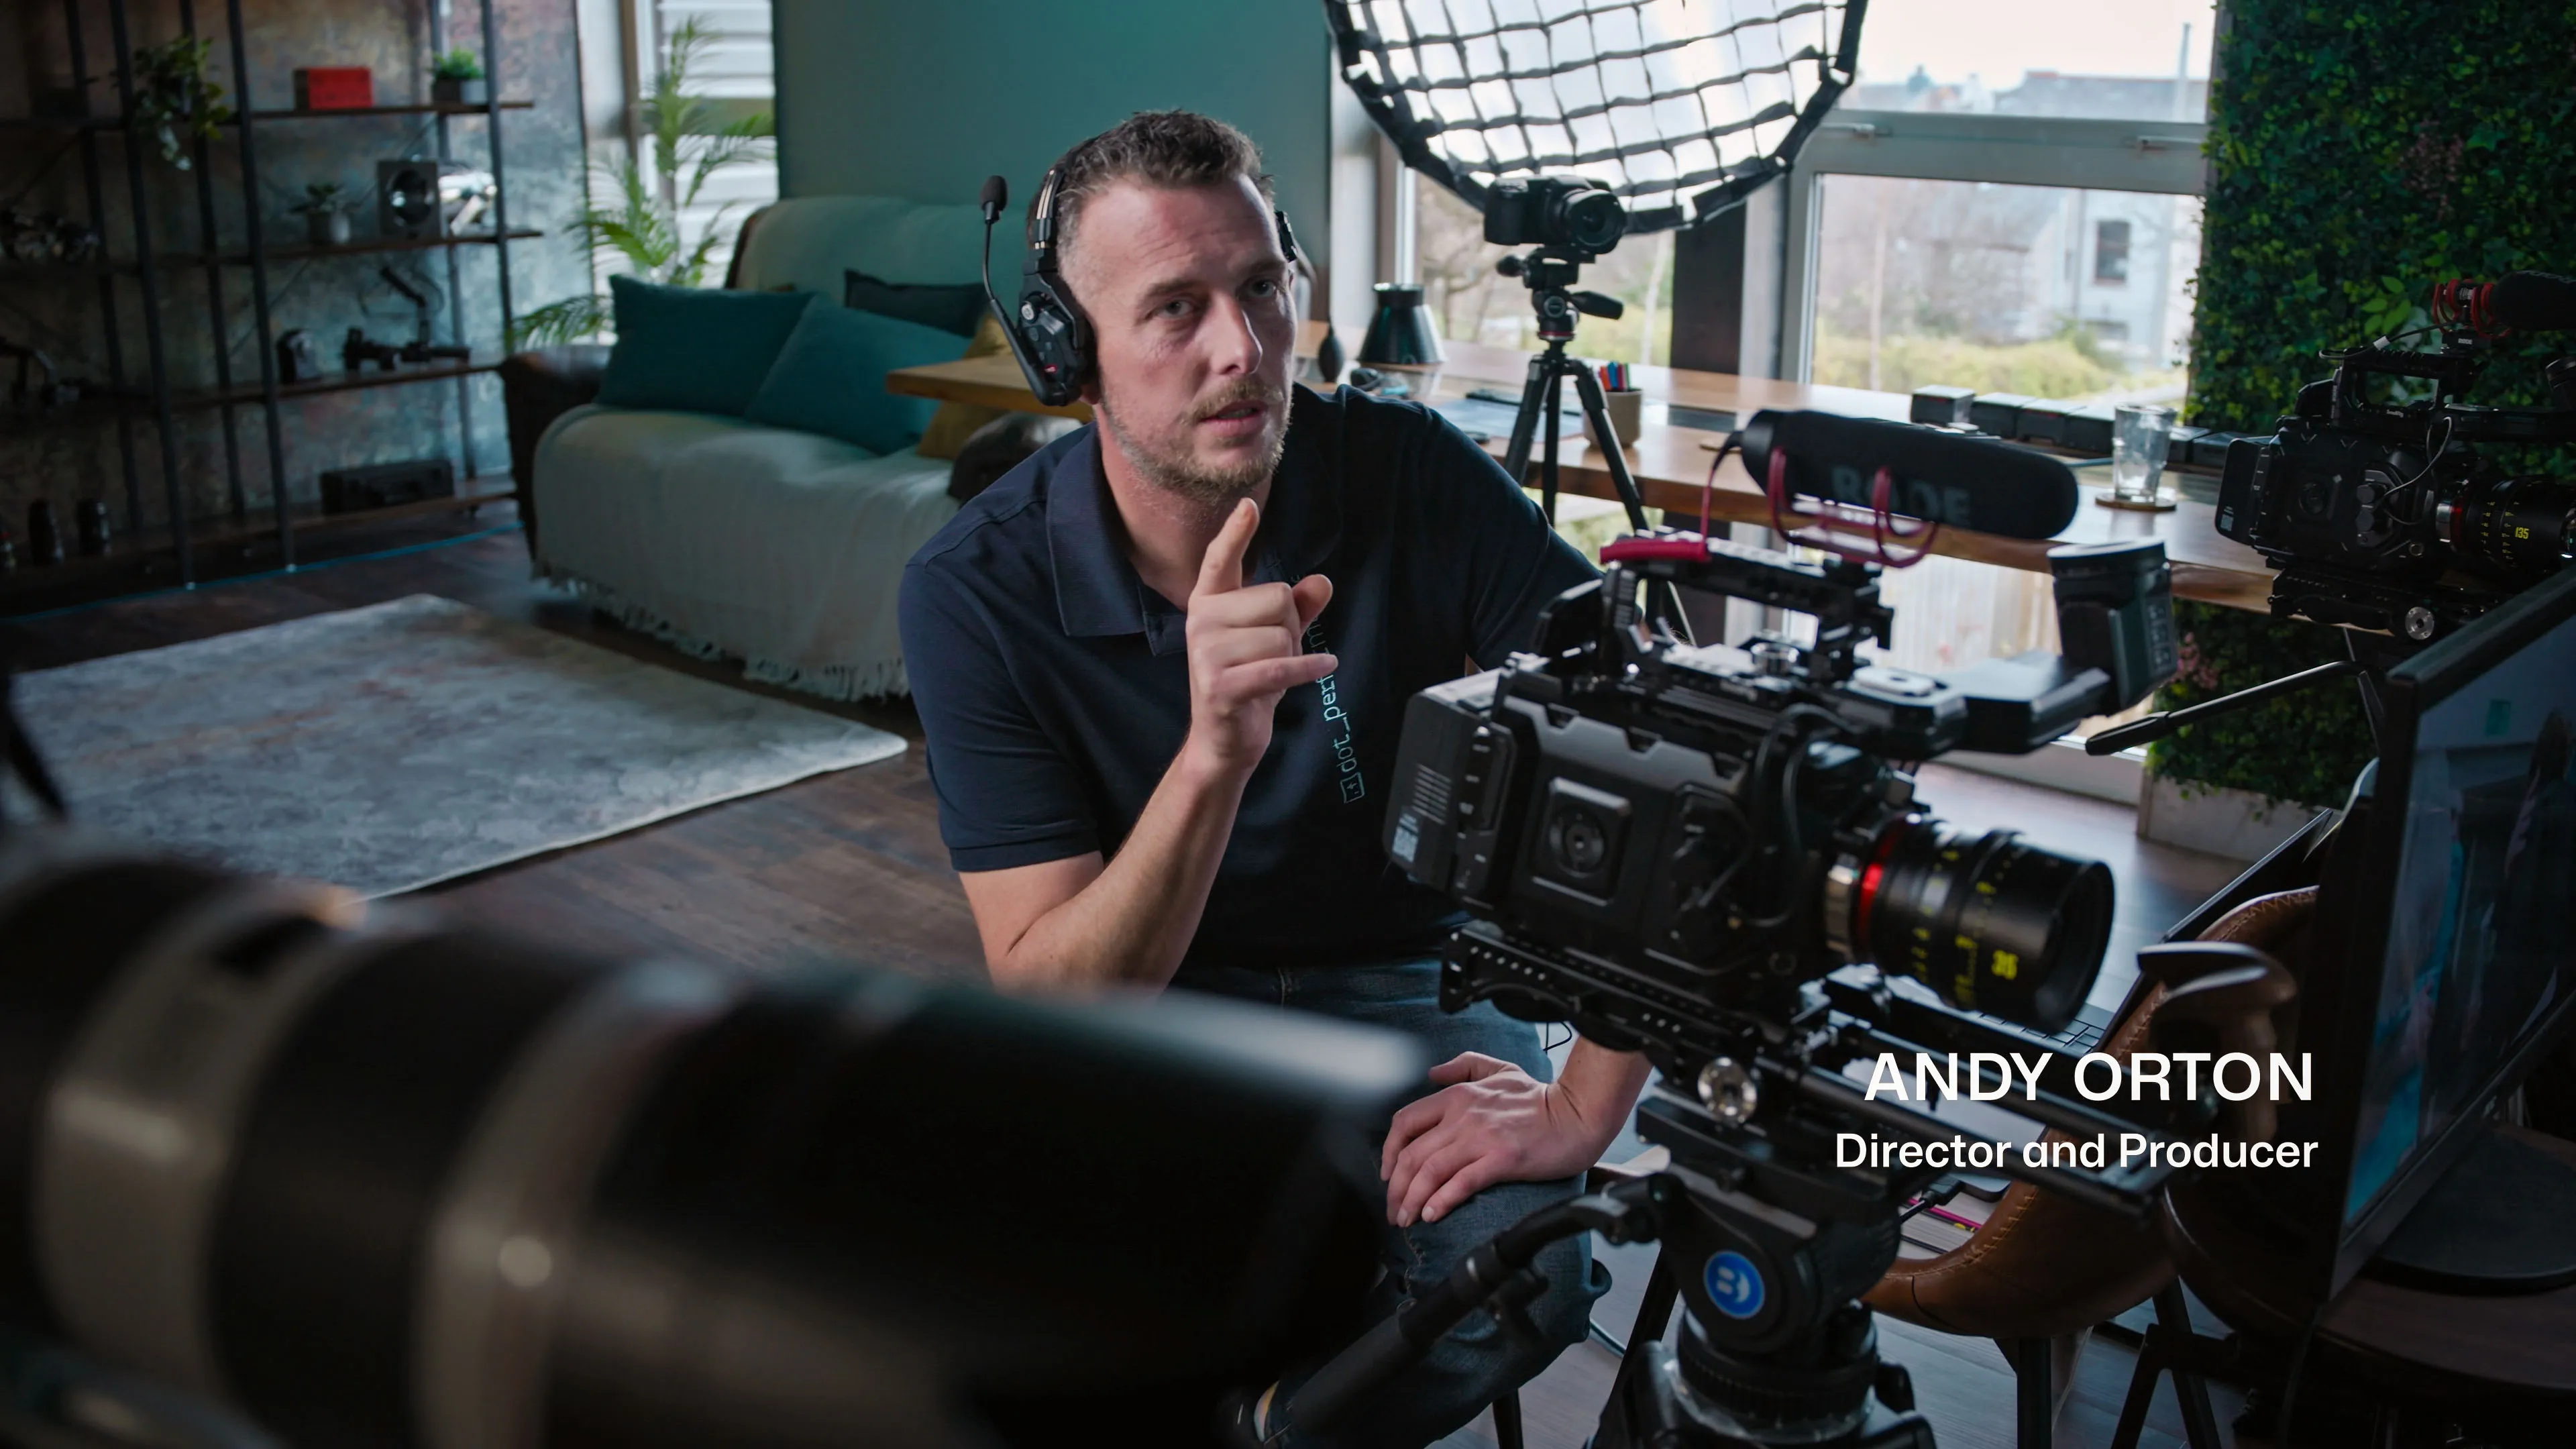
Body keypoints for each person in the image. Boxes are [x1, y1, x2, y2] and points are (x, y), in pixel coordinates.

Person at [898, 111, 1651, 1447]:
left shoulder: (1408, 469)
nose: (1241, 347)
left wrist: (1588, 1101)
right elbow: (1058, 994)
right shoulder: (975, 592)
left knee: (1519, 1282)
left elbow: (1657, 749)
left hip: (1419, 983)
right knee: (997, 1301)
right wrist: (1213, 757)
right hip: (1157, 1015)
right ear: (1068, 354)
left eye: (1260, 287)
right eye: (1174, 309)